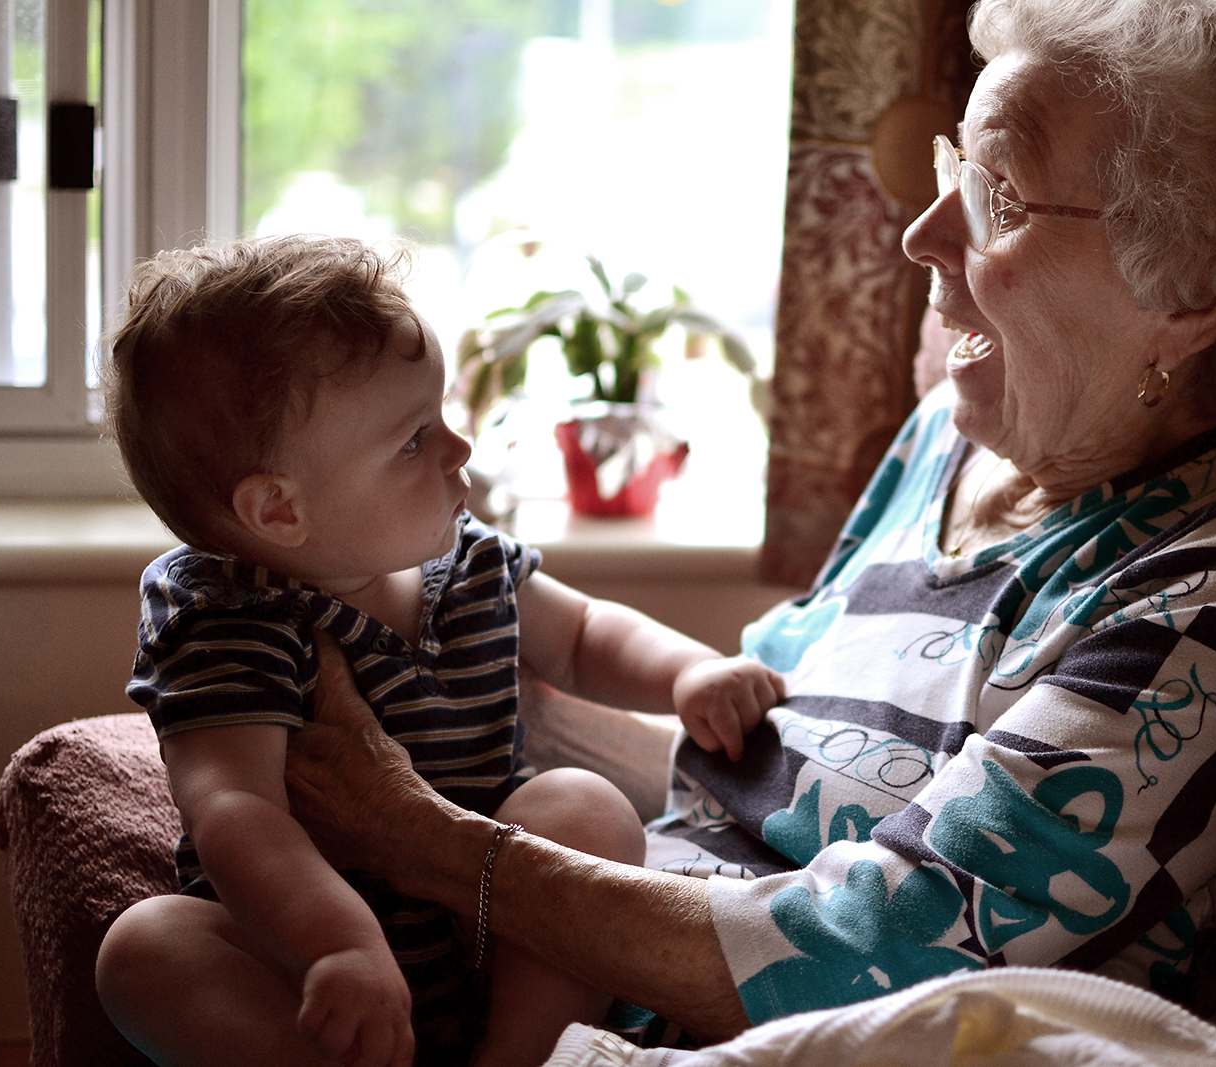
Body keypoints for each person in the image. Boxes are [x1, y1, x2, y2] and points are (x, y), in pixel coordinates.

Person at [281, 0, 1216, 1047]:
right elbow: (757, 767)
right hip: (580, 970)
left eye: (1001, 193)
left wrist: (426, 838)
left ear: (1186, 292)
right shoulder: (943, 446)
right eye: (959, 165)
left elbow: (880, 955)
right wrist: (444, 693)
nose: (919, 231)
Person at [92, 235, 787, 1067]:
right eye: (414, 440)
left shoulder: (467, 558)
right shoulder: (223, 612)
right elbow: (233, 808)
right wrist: (340, 946)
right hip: (306, 965)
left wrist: (689, 672)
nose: (459, 449)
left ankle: (518, 1055)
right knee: (143, 949)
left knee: (583, 805)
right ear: (279, 510)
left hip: (489, 928)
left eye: (443, 416)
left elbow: (585, 633)